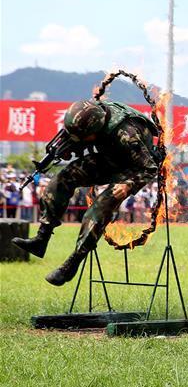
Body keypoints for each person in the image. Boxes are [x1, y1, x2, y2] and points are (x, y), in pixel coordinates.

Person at [12, 99, 160, 286]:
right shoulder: (88, 116)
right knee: (63, 178)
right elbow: (79, 141)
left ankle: (72, 263)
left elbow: (149, 168)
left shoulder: (126, 134)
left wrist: (128, 185)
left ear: (95, 130)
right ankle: (41, 238)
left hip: (131, 169)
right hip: (109, 159)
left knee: (99, 209)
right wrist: (69, 149)